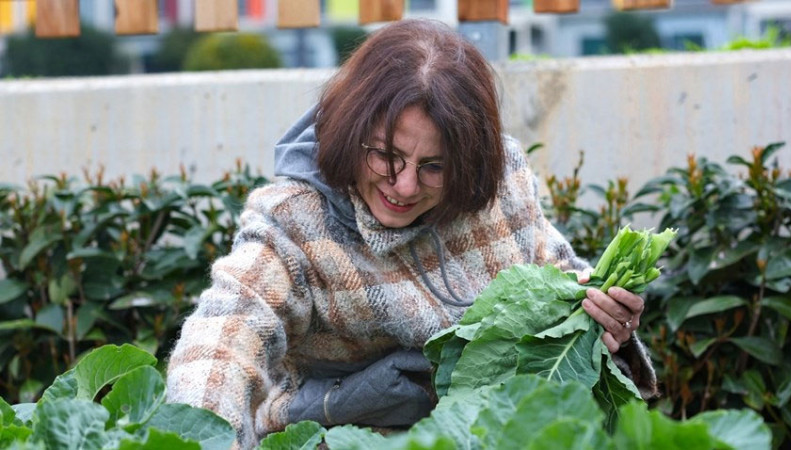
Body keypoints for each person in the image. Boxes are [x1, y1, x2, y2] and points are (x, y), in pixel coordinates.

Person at [166, 18, 657, 449]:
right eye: (386, 155)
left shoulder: (501, 183)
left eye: (433, 167)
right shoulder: (294, 220)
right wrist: (204, 438)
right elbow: (222, 337)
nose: (403, 186)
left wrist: (605, 315)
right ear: (350, 128)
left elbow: (560, 279)